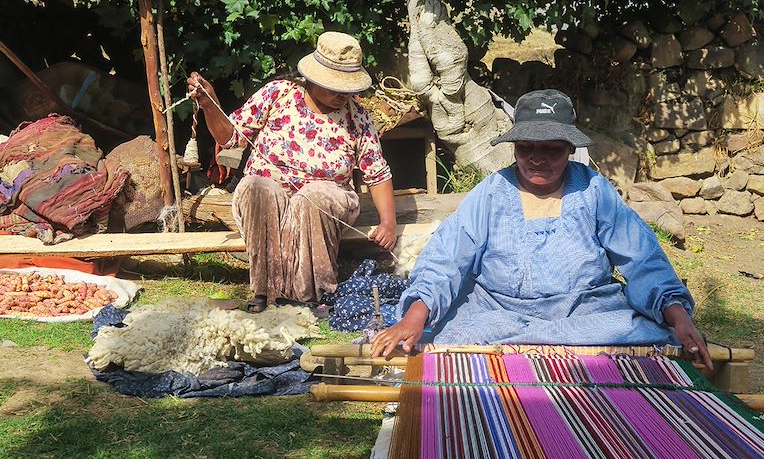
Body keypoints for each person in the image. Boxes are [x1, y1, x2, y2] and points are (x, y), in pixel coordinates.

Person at [371, 89, 713, 370]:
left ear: (570, 150)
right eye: (526, 148)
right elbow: (447, 259)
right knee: (444, 332)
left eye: (551, 150)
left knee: (643, 331)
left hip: (583, 314)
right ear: (514, 148)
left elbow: (641, 259)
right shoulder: (491, 193)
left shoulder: (594, 192)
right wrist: (414, 318)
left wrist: (678, 317)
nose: (537, 159)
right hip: (497, 313)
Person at [188, 31, 397, 313]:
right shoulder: (279, 94)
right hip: (270, 192)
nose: (341, 95)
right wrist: (209, 102)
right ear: (313, 78)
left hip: (328, 197)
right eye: (334, 87)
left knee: (314, 197)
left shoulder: (356, 116)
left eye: (346, 89)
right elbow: (230, 138)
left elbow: (377, 172)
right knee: (256, 188)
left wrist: (388, 223)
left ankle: (309, 297)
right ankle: (265, 292)